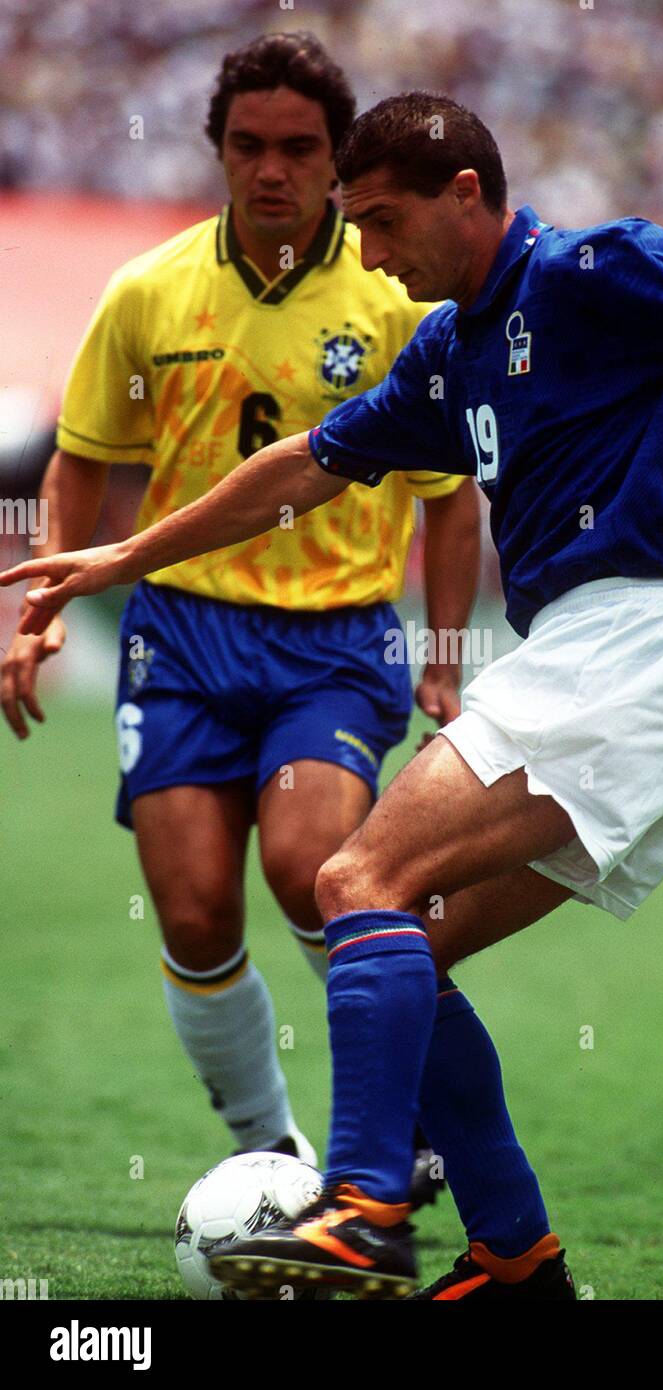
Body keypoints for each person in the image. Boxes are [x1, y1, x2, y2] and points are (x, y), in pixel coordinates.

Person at [4, 91, 663, 1300]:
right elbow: (302, 467)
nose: (362, 251)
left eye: (378, 222)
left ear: (464, 195)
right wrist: (121, 557)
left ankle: (359, 1209)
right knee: (401, 947)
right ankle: (514, 1253)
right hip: (612, 662)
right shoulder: (450, 343)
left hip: (632, 648)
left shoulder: (591, 270)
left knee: (351, 881)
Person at [0, 52, 479, 1200]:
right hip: (180, 640)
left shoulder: (392, 296)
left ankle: (405, 1117)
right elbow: (83, 463)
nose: (272, 171)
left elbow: (449, 498)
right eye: (247, 147)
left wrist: (448, 658)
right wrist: (42, 603)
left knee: (310, 864)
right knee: (197, 909)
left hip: (333, 636)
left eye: (299, 149)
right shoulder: (148, 293)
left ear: (336, 157)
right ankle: (270, 1154)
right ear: (218, 150)